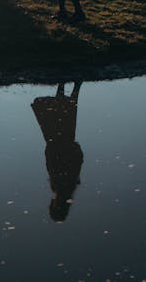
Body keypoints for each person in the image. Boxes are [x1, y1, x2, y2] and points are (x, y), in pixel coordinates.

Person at [31, 82, 84, 222]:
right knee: (58, 115)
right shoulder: (59, 185)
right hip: (57, 144)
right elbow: (53, 162)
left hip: (62, 143)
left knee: (67, 113)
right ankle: (65, 84)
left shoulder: (69, 185)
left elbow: (77, 160)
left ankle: (71, 84)